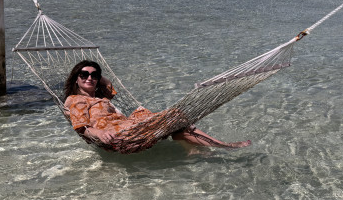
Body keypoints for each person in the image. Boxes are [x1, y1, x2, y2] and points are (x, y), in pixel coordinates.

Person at [63, 60, 251, 153]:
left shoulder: (101, 98)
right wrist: (100, 133)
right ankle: (224, 146)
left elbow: (108, 84)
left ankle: (191, 147)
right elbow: (83, 128)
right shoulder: (75, 100)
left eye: (94, 75)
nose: (90, 78)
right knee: (174, 116)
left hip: (129, 126)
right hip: (116, 134)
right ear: (75, 79)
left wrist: (93, 70)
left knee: (176, 122)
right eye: (84, 75)